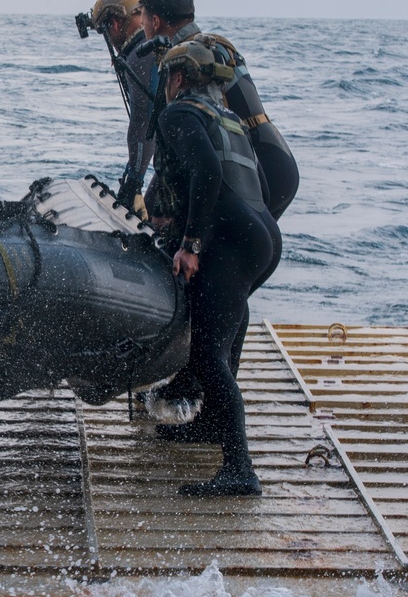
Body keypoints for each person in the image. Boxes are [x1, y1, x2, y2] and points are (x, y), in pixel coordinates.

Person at [147, 38, 280, 496]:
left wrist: (191, 243)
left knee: (207, 355)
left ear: (179, 77)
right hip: (261, 235)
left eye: (167, 76)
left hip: (229, 242)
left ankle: (240, 469)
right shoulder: (227, 118)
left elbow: (206, 172)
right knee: (227, 338)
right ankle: (211, 428)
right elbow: (259, 181)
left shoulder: (179, 113)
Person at [139, 0, 299, 221]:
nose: (141, 26)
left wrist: (160, 209)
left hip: (252, 168)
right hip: (277, 160)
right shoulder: (215, 45)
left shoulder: (188, 59)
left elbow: (202, 132)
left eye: (142, 19)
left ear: (155, 21)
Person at [89, 0, 155, 218]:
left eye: (104, 30)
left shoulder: (140, 55)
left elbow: (142, 122)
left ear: (115, 23)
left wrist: (133, 184)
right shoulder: (158, 46)